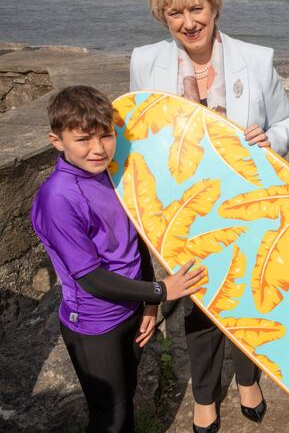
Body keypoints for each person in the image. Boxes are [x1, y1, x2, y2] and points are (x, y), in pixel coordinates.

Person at [129, 0, 289, 432]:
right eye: (174, 13)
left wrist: (272, 141)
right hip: (187, 211)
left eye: (196, 8)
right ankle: (205, 396)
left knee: (251, 295)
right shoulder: (145, 62)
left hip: (247, 202)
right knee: (200, 302)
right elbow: (137, 138)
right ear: (163, 17)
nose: (188, 22)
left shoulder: (257, 58)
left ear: (214, 4)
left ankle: (248, 379)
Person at [30, 85, 204, 433]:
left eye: (106, 136)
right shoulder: (59, 198)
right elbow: (91, 278)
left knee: (127, 405)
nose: (98, 149)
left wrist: (150, 307)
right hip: (95, 325)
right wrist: (160, 291)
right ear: (56, 140)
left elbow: (134, 240)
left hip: (132, 311)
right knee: (111, 417)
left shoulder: (112, 172)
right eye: (83, 139)